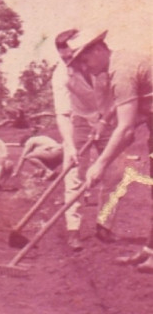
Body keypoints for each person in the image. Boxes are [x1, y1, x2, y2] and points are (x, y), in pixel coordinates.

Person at [65, 31, 151, 264]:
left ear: (99, 50)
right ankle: (150, 252)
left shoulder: (121, 72)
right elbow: (121, 104)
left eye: (85, 60)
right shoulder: (119, 63)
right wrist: (103, 122)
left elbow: (125, 129)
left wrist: (100, 164)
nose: (85, 66)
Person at [52, 29, 126, 251]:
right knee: (74, 174)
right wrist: (71, 145)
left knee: (115, 174)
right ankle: (73, 230)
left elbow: (119, 95)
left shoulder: (104, 65)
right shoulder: (61, 75)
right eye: (65, 58)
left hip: (108, 119)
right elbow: (62, 114)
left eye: (73, 55)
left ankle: (104, 225)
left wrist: (105, 120)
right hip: (79, 122)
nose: (71, 61)